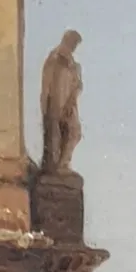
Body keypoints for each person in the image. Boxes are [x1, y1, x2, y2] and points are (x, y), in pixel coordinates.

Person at [40, 30, 83, 172]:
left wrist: (72, 99)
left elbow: (78, 85)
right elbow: (47, 82)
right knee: (55, 135)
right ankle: (56, 165)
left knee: (74, 132)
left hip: (69, 103)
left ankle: (63, 163)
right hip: (56, 101)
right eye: (73, 42)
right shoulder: (55, 57)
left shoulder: (73, 63)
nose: (74, 46)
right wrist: (45, 103)